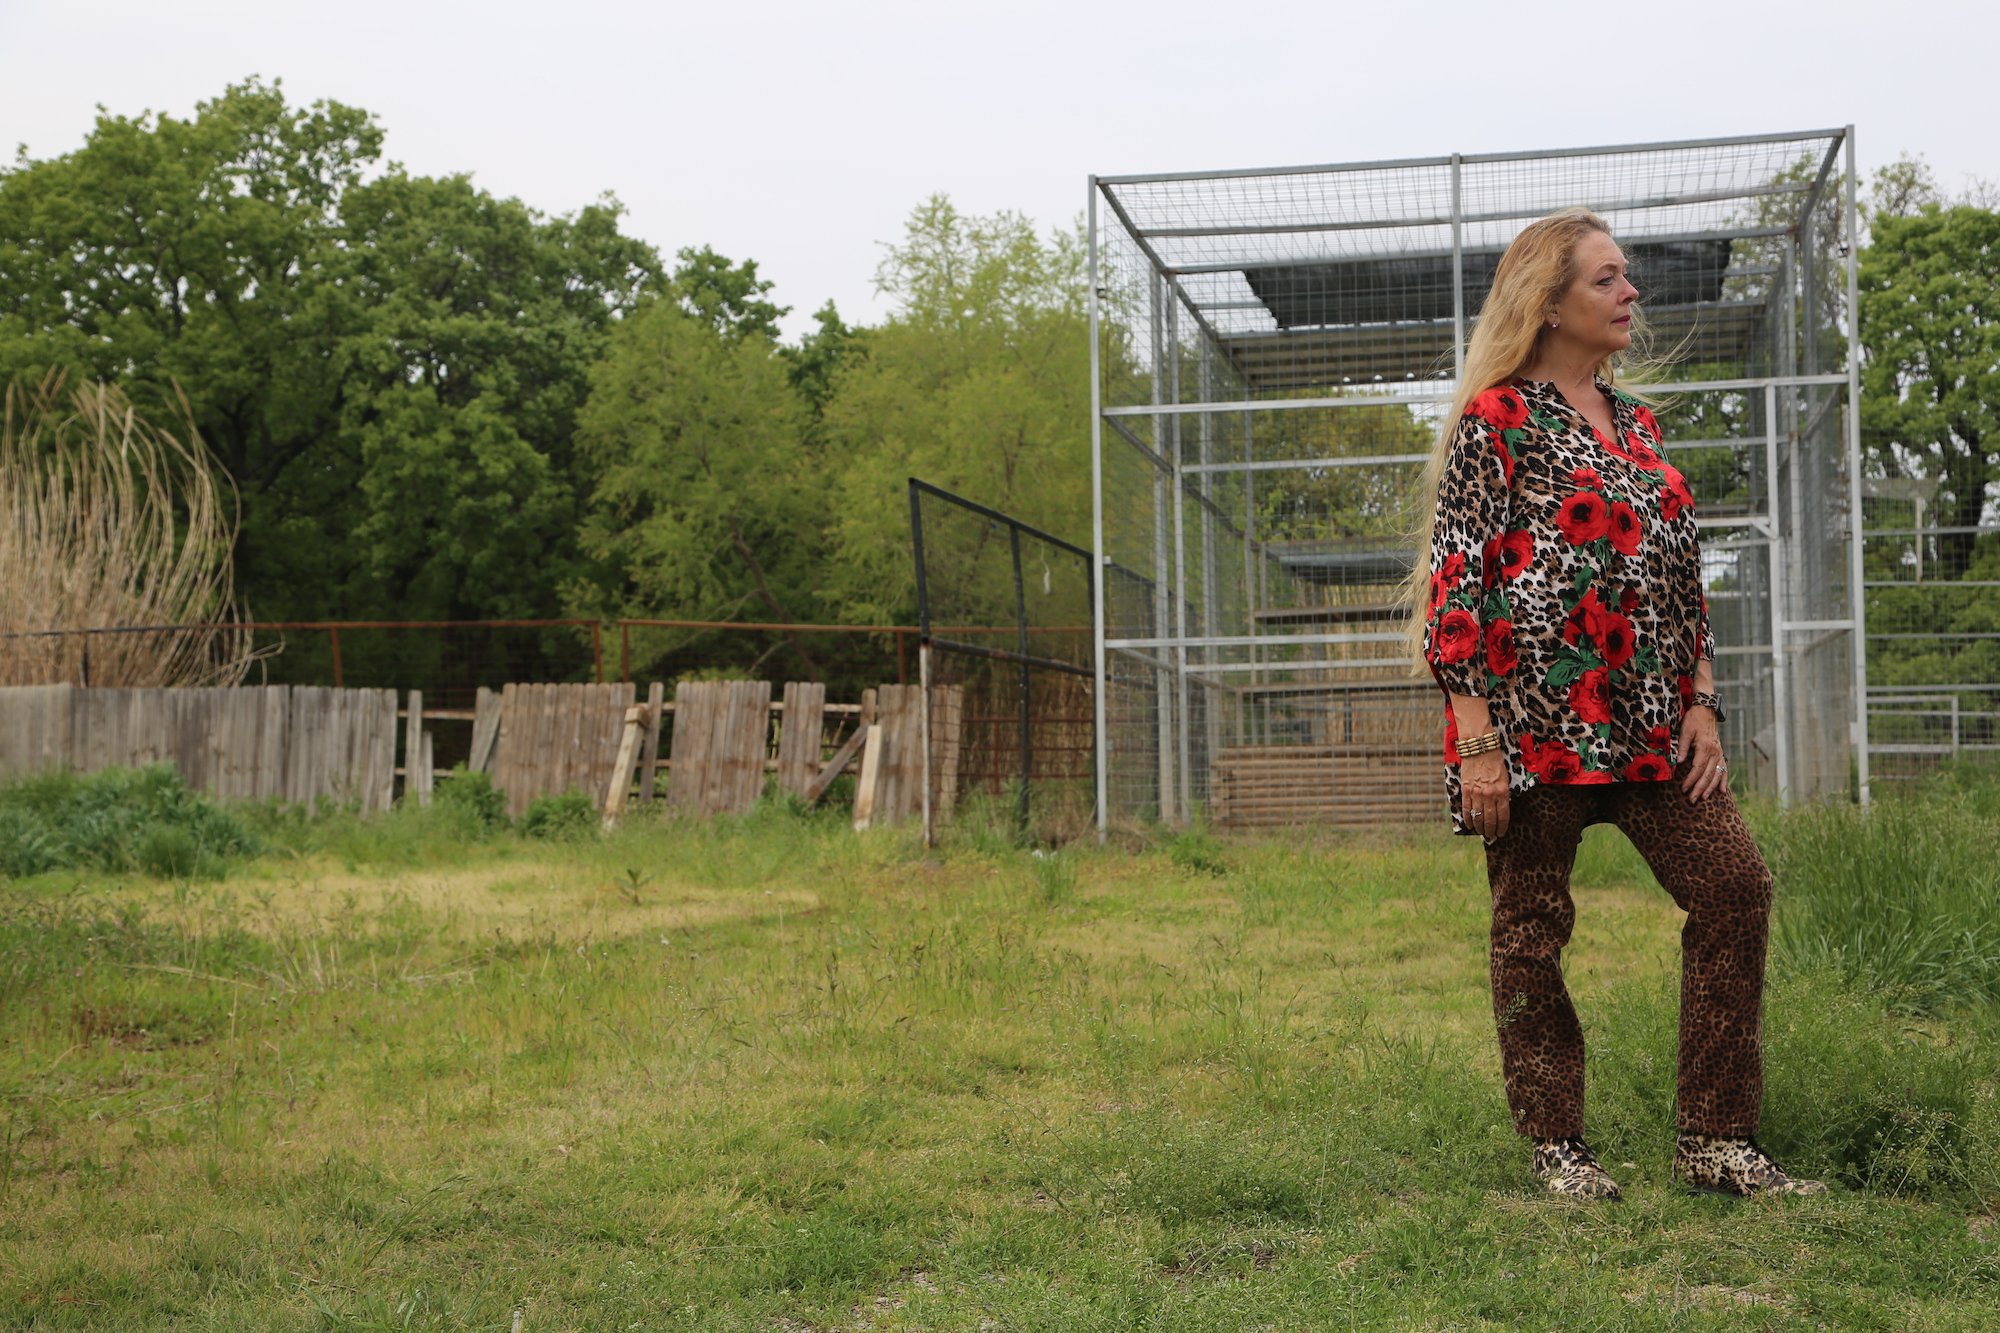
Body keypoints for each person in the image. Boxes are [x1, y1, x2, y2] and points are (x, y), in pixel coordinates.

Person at [1409, 207, 1824, 1201]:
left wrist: (1703, 702)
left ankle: (1714, 1140)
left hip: (1649, 725)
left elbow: (1679, 576)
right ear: (1546, 304)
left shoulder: (1638, 424)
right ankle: (1555, 1146)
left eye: (1624, 276)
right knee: (1528, 928)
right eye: (1605, 279)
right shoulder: (1495, 420)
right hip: (1528, 729)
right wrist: (1472, 740)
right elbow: (1455, 581)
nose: (1629, 292)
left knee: (1734, 886)